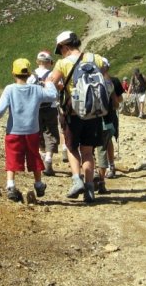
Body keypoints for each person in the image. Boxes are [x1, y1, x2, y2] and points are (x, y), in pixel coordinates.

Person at [43, 30, 107, 203]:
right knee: (88, 152)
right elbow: (104, 70)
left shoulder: (63, 64)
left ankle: (76, 179)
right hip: (93, 112)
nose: (60, 53)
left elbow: (52, 83)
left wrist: (55, 85)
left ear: (65, 46)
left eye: (60, 49)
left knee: (71, 147)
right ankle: (90, 190)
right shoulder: (95, 58)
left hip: (73, 112)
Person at [0, 58, 58, 202]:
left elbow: (0, 109)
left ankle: (10, 185)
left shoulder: (9, 89)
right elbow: (53, 95)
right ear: (30, 74)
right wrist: (49, 83)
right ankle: (39, 184)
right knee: (34, 156)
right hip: (32, 131)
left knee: (12, 157)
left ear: (13, 73)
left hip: (13, 132)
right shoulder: (36, 89)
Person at [94, 58, 123, 191]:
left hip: (92, 119)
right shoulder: (114, 81)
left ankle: (91, 173)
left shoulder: (91, 81)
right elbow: (118, 102)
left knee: (89, 148)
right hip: (109, 120)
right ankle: (107, 170)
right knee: (105, 146)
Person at [29, 50, 59, 176]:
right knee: (50, 133)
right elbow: (59, 87)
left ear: (37, 62)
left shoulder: (31, 76)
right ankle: (49, 159)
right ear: (50, 62)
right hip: (50, 107)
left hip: (35, 108)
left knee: (38, 133)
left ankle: (41, 157)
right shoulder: (52, 74)